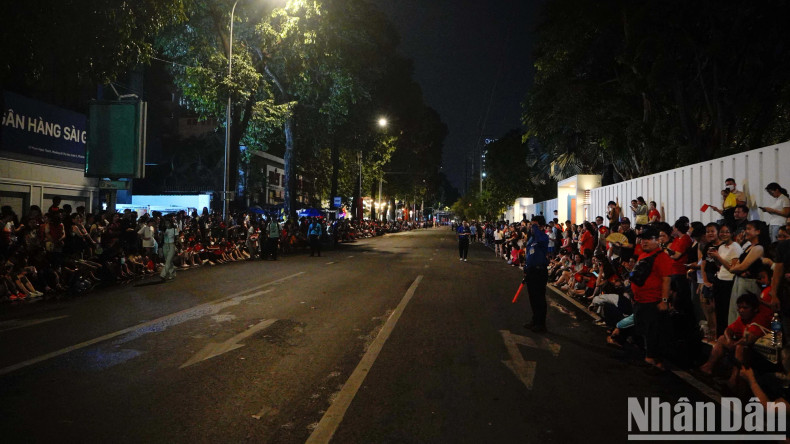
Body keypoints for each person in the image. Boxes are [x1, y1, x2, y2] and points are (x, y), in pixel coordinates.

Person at [630, 227, 673, 371]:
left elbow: (666, 280)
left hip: (653, 301)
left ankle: (654, 360)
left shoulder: (662, 257)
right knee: (643, 330)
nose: (644, 242)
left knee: (653, 332)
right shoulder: (643, 255)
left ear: (657, 240)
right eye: (643, 239)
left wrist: (664, 301)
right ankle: (649, 357)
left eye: (648, 239)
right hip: (640, 301)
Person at [522, 215, 550, 333]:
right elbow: (529, 254)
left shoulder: (543, 237)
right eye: (531, 225)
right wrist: (526, 268)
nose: (532, 228)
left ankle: (541, 323)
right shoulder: (532, 238)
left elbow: (539, 237)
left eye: (535, 226)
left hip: (540, 271)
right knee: (532, 298)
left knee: (539, 298)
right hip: (531, 271)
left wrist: (535, 228)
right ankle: (535, 320)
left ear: (542, 227)